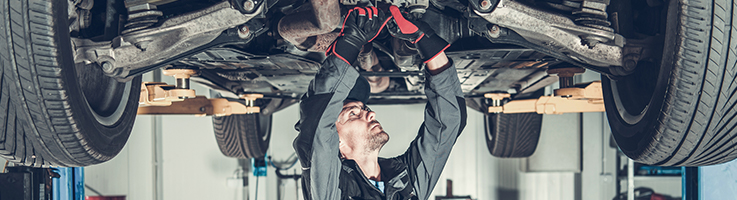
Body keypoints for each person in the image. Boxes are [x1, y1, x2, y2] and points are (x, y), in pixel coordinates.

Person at [293, 5, 467, 200]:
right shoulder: (404, 184)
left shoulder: (332, 192)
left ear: (337, 141)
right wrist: (426, 42)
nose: (371, 114)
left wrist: (351, 42)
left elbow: (316, 125)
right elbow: (448, 124)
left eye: (355, 112)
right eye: (355, 112)